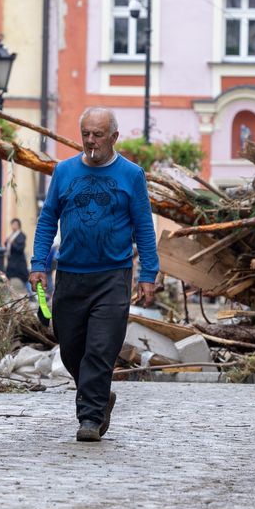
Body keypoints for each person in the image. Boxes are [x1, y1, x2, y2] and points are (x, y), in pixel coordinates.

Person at [29, 107, 159, 442]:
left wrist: (148, 273)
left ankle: (89, 417)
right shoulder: (64, 171)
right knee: (71, 349)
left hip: (112, 276)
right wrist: (38, 264)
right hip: (71, 275)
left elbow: (144, 226)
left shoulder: (131, 175)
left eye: (98, 134)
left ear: (114, 137)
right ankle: (101, 396)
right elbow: (47, 221)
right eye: (85, 133)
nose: (90, 140)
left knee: (100, 349)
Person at [4, 218, 29, 292]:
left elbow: (20, 248)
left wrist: (12, 243)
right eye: (12, 224)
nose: (13, 226)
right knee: (7, 278)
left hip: (19, 263)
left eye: (15, 224)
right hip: (11, 262)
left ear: (19, 226)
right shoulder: (11, 235)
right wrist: (7, 241)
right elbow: (7, 245)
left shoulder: (21, 235)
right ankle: (7, 296)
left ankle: (33, 295)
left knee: (26, 278)